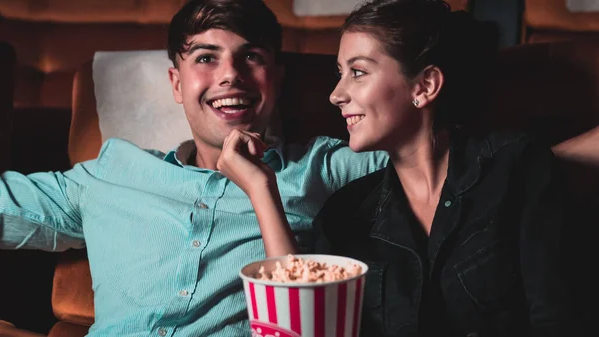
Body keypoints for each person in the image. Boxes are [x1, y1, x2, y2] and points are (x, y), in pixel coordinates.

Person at [0, 1, 388, 336]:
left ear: (277, 80)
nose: (231, 74)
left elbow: (432, 157)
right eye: (205, 57)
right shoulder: (110, 172)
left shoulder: (326, 168)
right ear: (176, 83)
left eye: (252, 56)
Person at [222, 0, 579, 336]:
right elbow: (302, 325)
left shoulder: (515, 166)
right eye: (339, 73)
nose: (336, 94)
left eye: (357, 72)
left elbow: (557, 321)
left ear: (425, 86)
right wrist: (261, 190)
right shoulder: (346, 214)